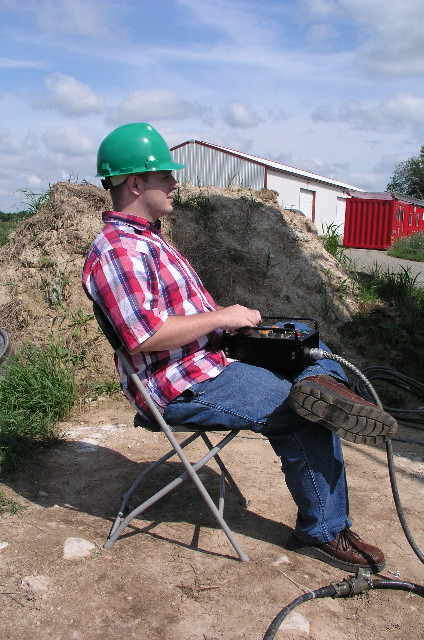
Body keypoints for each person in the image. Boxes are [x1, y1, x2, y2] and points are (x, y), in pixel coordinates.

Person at [82, 123, 398, 573]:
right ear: (135, 184)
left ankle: (323, 386)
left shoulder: (147, 239)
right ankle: (324, 528)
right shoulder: (117, 250)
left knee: (309, 347)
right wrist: (224, 317)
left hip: (213, 359)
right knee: (300, 412)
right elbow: (144, 336)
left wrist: (234, 331)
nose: (176, 183)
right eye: (165, 177)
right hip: (180, 385)